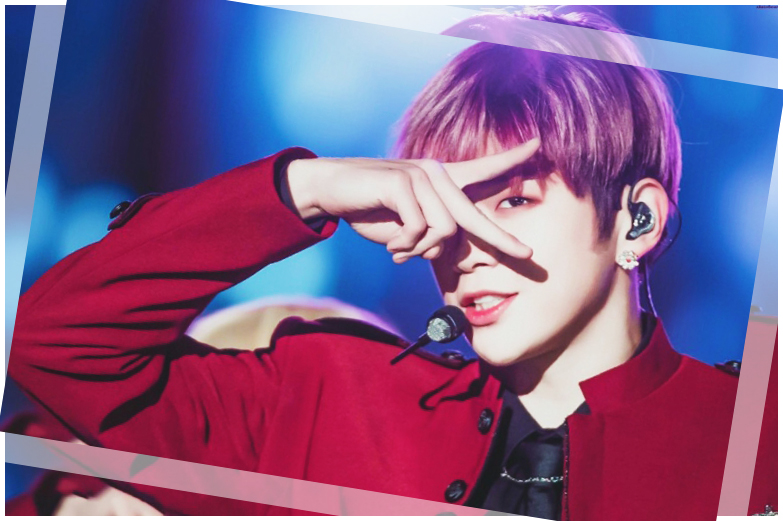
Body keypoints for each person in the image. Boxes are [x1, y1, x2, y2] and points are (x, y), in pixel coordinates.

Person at [6, 9, 776, 519]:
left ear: (634, 219)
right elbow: (55, 342)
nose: (461, 246)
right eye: (448, 205)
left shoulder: (756, 430)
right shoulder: (324, 397)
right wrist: (307, 187)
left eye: (511, 200)